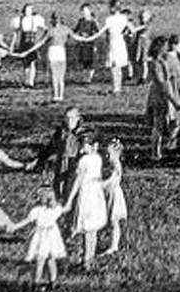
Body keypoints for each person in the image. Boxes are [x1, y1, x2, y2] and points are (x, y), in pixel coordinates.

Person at [64, 134, 107, 270]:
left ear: (94, 145)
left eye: (85, 144)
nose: (83, 148)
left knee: (89, 228)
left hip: (88, 195)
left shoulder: (84, 160)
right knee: (92, 229)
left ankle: (87, 260)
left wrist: (70, 199)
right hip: (96, 193)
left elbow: (78, 181)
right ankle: (89, 258)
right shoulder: (97, 158)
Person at [25, 12, 83, 103]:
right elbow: (76, 37)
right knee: (58, 76)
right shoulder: (62, 30)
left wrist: (28, 51)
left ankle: (58, 95)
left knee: (57, 76)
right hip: (57, 53)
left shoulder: (55, 30)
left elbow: (41, 42)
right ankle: (58, 95)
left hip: (56, 53)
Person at [18, 185, 65, 292]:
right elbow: (27, 220)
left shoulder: (53, 209)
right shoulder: (38, 210)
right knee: (43, 260)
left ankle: (50, 282)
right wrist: (15, 226)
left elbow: (63, 209)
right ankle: (39, 282)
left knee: (48, 260)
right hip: (43, 237)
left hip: (49, 237)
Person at [83, 1, 137, 95]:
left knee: (114, 67)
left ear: (112, 8)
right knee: (118, 67)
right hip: (121, 43)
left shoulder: (110, 19)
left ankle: (116, 89)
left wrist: (88, 39)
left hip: (114, 43)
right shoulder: (124, 18)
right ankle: (117, 88)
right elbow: (133, 30)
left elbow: (101, 32)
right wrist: (129, 37)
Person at [35, 107, 85, 199]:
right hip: (61, 161)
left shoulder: (83, 133)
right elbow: (51, 146)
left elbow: (86, 150)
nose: (69, 121)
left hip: (75, 162)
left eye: (72, 118)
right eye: (67, 118)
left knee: (71, 185)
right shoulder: (61, 131)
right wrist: (41, 158)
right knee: (58, 184)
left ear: (78, 118)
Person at [10, 4, 46, 89]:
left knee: (32, 62)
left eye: (30, 10)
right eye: (26, 10)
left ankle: (31, 82)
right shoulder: (20, 20)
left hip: (33, 43)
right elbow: (16, 33)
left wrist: (41, 39)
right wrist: (12, 44)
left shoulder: (36, 19)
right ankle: (27, 80)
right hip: (23, 43)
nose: (28, 11)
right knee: (25, 63)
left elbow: (45, 29)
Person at [103, 139, 127, 256]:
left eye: (109, 154)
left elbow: (111, 179)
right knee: (109, 220)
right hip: (109, 193)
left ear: (116, 154)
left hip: (114, 194)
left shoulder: (116, 165)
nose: (107, 156)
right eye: (106, 154)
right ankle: (110, 242)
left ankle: (114, 246)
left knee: (114, 220)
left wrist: (100, 185)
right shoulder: (110, 164)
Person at [73, 5, 100, 84]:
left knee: (91, 61)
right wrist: (78, 36)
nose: (84, 13)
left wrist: (93, 42)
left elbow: (97, 33)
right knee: (83, 61)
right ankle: (85, 77)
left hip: (90, 44)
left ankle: (89, 77)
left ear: (89, 11)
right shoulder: (81, 21)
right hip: (82, 43)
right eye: (82, 11)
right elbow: (75, 30)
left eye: (85, 11)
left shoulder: (93, 22)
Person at [132, 10, 153, 84]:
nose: (142, 19)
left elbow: (137, 29)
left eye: (144, 17)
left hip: (145, 44)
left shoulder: (147, 25)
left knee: (144, 61)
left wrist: (131, 27)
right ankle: (140, 76)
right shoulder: (142, 25)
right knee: (138, 61)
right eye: (141, 17)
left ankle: (144, 77)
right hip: (139, 44)